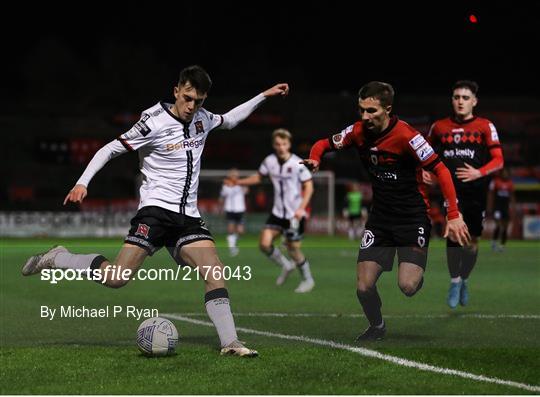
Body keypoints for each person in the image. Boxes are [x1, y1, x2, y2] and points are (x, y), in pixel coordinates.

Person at [21, 65, 289, 357]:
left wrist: (264, 95)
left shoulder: (202, 119)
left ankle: (230, 343)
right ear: (176, 91)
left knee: (214, 271)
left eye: (198, 101)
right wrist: (82, 182)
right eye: (187, 98)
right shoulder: (153, 122)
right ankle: (59, 257)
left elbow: (230, 120)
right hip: (155, 213)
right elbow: (109, 149)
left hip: (187, 218)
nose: (191, 106)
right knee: (116, 278)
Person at [302, 81, 470, 341]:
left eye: (371, 111)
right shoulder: (357, 132)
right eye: (361, 110)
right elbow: (323, 143)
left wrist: (454, 214)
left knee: (408, 286)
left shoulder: (407, 136)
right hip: (380, 220)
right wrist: (315, 158)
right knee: (363, 287)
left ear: (388, 109)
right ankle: (377, 326)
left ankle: (415, 274)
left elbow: (441, 169)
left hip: (412, 218)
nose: (364, 117)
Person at [427, 80, 504, 308]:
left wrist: (478, 173)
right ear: (452, 100)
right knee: (453, 236)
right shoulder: (439, 127)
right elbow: (424, 156)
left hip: (475, 193)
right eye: (457, 97)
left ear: (474, 101)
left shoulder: (484, 126)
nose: (461, 101)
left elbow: (499, 160)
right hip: (451, 193)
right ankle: (454, 281)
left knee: (471, 244)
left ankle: (464, 280)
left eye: (465, 97)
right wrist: (427, 173)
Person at [235, 129, 316, 293]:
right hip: (278, 213)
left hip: (295, 214)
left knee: (293, 249)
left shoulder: (297, 164)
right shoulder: (269, 161)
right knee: (264, 244)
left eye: (284, 144)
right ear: (274, 145)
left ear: (289, 144)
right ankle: (286, 266)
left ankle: (308, 280)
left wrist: (301, 209)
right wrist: (239, 182)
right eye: (278, 144)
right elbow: (258, 177)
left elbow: (309, 188)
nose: (281, 147)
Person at [219, 168, 248, 256]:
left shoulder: (241, 184)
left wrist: (239, 184)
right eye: (233, 175)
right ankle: (232, 247)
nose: (235, 176)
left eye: (236, 175)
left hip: (240, 209)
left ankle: (233, 240)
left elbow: (246, 190)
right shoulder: (226, 186)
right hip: (230, 209)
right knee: (231, 229)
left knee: (241, 231)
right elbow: (223, 196)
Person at [487, 168, 515, 252]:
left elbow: (512, 196)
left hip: (505, 208)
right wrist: (489, 207)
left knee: (505, 227)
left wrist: (513, 207)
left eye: (507, 173)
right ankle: (494, 242)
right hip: (497, 208)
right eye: (504, 173)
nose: (505, 175)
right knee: (498, 225)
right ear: (501, 174)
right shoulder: (495, 182)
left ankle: (502, 245)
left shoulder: (510, 183)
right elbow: (490, 195)